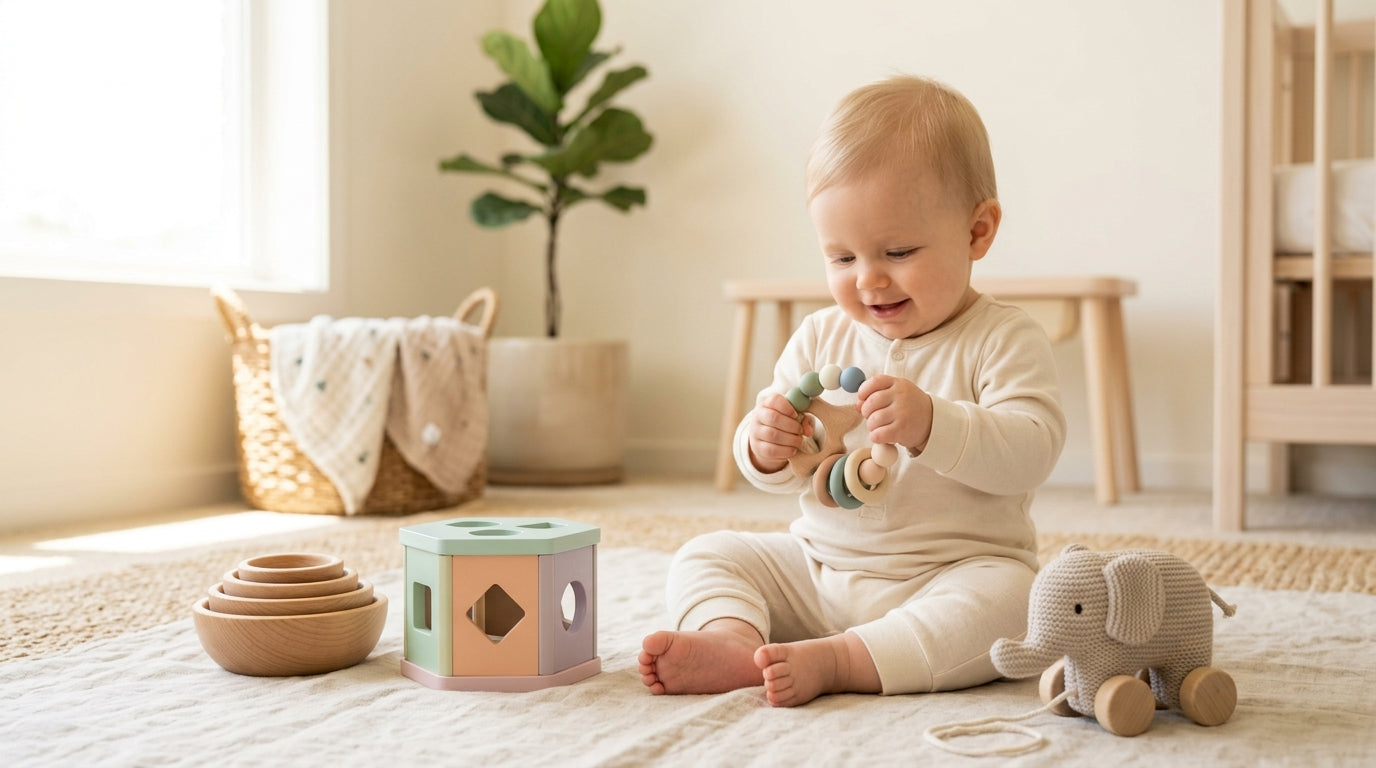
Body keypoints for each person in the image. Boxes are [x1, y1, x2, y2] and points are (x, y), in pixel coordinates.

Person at [638, 75, 1067, 707]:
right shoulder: (819, 336)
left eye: (896, 250)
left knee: (1019, 603)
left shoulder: (1002, 337)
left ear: (977, 232)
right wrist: (763, 446)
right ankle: (733, 640)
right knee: (708, 552)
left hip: (948, 575)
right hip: (820, 571)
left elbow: (1033, 449)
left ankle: (841, 661)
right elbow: (781, 471)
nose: (869, 280)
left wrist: (934, 425)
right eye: (841, 259)